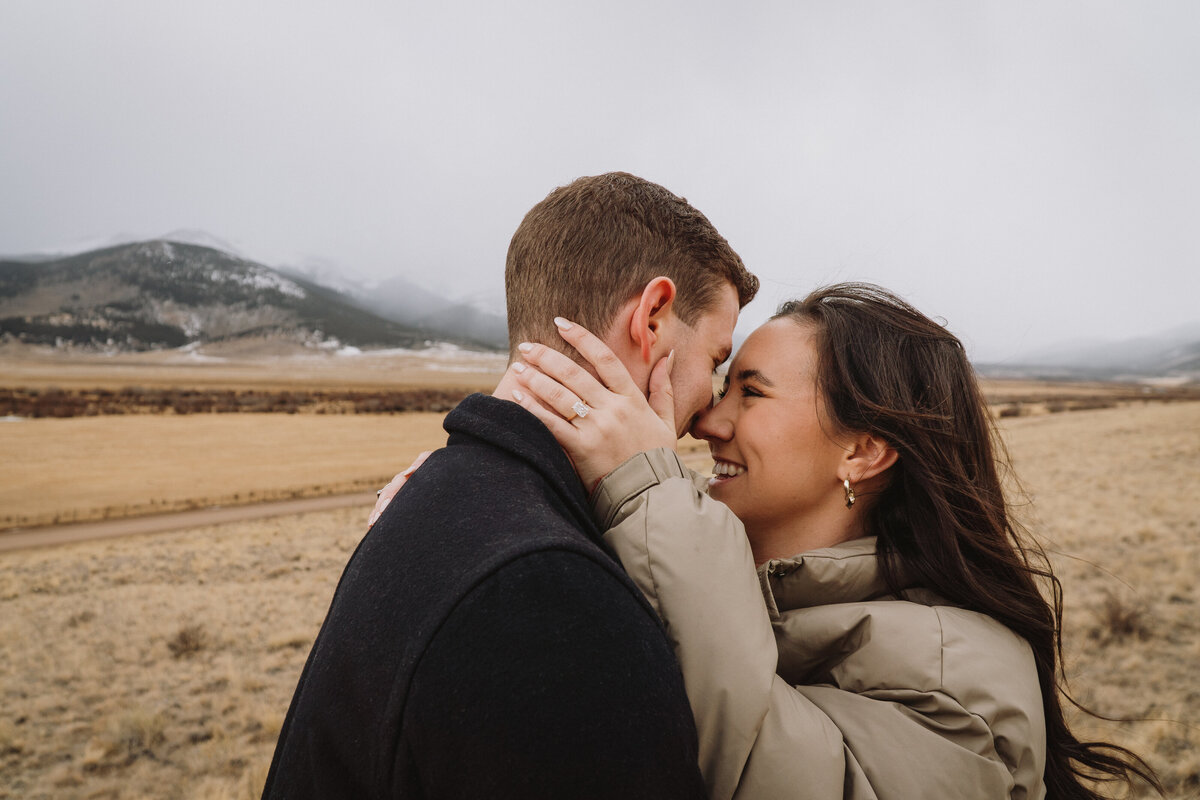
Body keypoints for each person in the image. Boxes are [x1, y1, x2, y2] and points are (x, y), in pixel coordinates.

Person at [497, 283, 1161, 799]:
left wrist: (643, 487)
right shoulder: (706, 549)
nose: (707, 420)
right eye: (724, 385)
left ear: (864, 451)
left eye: (750, 394)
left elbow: (762, 766)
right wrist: (479, 483)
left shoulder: (960, 676)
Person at [261, 172, 759, 799]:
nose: (708, 412)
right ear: (652, 318)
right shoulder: (550, 594)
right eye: (715, 361)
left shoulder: (438, 497)